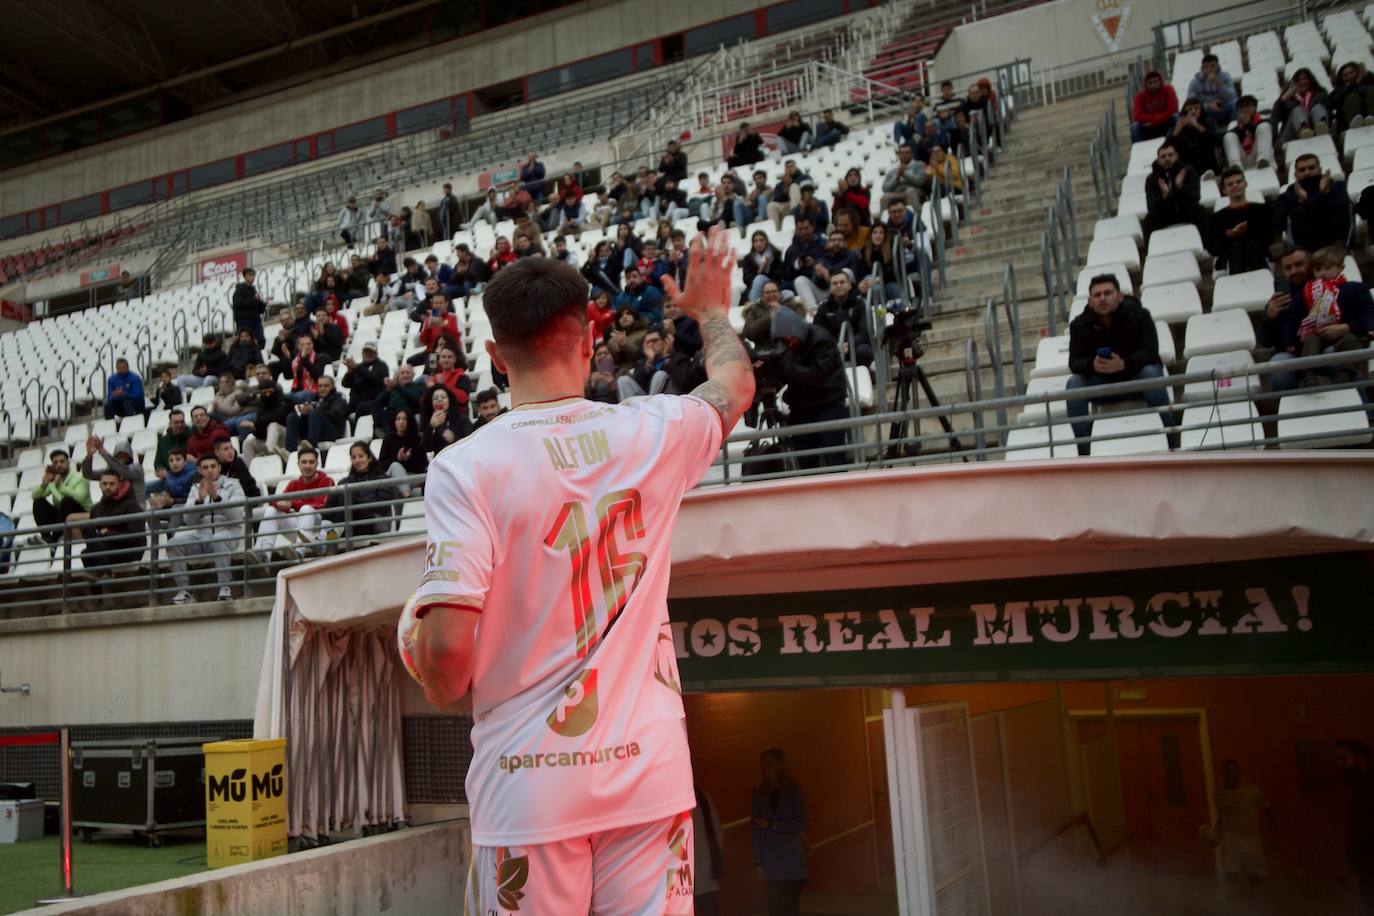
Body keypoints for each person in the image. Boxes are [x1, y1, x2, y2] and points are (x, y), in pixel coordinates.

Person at [396, 228, 754, 915]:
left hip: (527, 787)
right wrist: (708, 310)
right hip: (647, 773)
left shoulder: (466, 467)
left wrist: (416, 644)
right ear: (589, 340)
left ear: (496, 357)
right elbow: (734, 385)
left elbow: (445, 661)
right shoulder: (654, 431)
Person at [1065, 275, 1174, 455]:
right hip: (1101, 381)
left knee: (1150, 373)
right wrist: (1093, 365)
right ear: (1090, 301)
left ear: (1120, 296)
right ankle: (1083, 451)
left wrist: (1124, 364)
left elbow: (1151, 352)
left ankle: (1171, 439)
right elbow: (1074, 362)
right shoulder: (1079, 324)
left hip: (1135, 377)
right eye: (1097, 295)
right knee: (1074, 384)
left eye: (1107, 293)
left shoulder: (1140, 315)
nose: (1102, 298)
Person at [770, 306, 849, 469]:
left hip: (828, 403)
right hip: (801, 406)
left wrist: (785, 366)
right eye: (784, 340)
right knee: (806, 462)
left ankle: (842, 493)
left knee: (834, 459)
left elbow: (815, 375)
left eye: (788, 338)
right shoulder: (788, 346)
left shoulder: (821, 339)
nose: (787, 343)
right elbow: (789, 374)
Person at [167, 452, 245, 604]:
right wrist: (199, 501)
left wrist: (217, 498)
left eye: (213, 466)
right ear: (199, 470)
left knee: (218, 539)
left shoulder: (234, 484)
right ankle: (184, 590)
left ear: (219, 468)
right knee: (173, 543)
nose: (210, 470)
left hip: (228, 534)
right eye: (205, 467)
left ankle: (225, 587)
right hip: (202, 536)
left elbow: (237, 516)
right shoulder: (196, 488)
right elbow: (189, 521)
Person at [1291, 244, 1374, 386]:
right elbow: (1293, 317)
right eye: (1318, 269)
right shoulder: (1307, 291)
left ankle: (1345, 374)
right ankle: (1309, 375)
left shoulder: (1356, 289)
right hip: (1317, 336)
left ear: (1340, 268)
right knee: (1311, 341)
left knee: (1351, 341)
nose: (1322, 273)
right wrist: (1289, 341)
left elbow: (1366, 312)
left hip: (1344, 337)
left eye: (1327, 268)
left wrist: (1359, 327)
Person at [751, 748, 808, 916]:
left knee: (790, 909)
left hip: (792, 864)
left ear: (780, 765)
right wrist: (758, 862)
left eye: (769, 763)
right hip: (771, 864)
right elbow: (754, 831)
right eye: (763, 764)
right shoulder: (758, 794)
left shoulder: (794, 791)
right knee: (775, 909)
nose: (765, 767)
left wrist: (772, 825)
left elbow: (799, 824)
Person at [254, 443, 334, 556]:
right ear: (298, 464)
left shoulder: (326, 480)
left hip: (318, 527)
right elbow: (276, 501)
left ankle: (299, 552)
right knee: (271, 511)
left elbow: (321, 505)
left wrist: (292, 504)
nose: (307, 466)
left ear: (317, 464)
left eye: (311, 462)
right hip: (299, 528)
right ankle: (265, 555)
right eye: (304, 462)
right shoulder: (294, 483)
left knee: (306, 509)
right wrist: (280, 504)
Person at [1213, 759, 1274, 890]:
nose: (1230, 774)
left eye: (1233, 771)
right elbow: (1221, 815)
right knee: (1231, 874)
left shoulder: (1252, 791)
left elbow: (1267, 810)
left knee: (1254, 875)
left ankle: (1254, 900)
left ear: (1238, 772)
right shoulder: (1218, 794)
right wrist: (1216, 834)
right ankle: (1236, 902)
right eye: (1226, 771)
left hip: (1250, 838)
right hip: (1230, 838)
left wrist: (1272, 834)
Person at [79, 470, 144, 585]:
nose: (108, 487)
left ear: (119, 484)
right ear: (99, 485)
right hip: (105, 549)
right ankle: (97, 599)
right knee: (86, 554)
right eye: (104, 484)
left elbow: (135, 537)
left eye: (111, 484)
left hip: (129, 549)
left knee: (91, 553)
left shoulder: (131, 505)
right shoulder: (96, 509)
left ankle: (106, 572)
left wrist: (107, 535)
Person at [322, 442, 397, 541]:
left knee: (347, 495)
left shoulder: (382, 479)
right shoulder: (344, 481)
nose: (357, 460)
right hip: (349, 523)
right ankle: (325, 533)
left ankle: (331, 535)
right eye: (354, 457)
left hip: (373, 521)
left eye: (361, 456)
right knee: (337, 491)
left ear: (369, 458)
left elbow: (381, 506)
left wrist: (358, 504)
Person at [1274, 153, 1351, 250]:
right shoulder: (1287, 195)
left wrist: (1310, 199)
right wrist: (1300, 201)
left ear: (1320, 169)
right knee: (1297, 213)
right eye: (1302, 170)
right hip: (1303, 249)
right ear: (1295, 175)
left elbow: (1343, 208)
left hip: (1335, 244)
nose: (1307, 172)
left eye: (1311, 168)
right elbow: (1278, 223)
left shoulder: (1336, 187)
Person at [1206, 167, 1273, 275]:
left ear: (1245, 183)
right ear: (1223, 190)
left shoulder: (1262, 210)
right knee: (1237, 249)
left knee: (1251, 247)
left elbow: (1269, 238)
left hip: (1259, 253)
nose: (1235, 185)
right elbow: (1213, 249)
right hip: (1230, 258)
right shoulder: (1216, 218)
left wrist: (1249, 228)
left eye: (1239, 182)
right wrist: (1230, 235)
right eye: (1230, 184)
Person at [1336, 738, 1374, 913]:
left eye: (1345, 758)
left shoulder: (1367, 788)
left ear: (1361, 760)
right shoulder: (1359, 789)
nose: (1340, 764)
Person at [28, 448, 94, 545]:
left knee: (66, 501)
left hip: (81, 514)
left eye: (62, 461)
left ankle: (54, 539)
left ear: (68, 462)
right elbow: (34, 496)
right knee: (39, 502)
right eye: (55, 462)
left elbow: (80, 498)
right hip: (62, 517)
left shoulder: (80, 477)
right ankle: (46, 537)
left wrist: (60, 487)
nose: (59, 464)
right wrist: (43, 485)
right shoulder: (52, 480)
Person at [1143, 141, 1205, 240]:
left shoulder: (1188, 171)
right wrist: (1164, 195)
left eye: (1170, 155)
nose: (1167, 158)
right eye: (1163, 156)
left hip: (1184, 210)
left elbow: (1195, 197)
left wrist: (1180, 187)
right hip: (1165, 214)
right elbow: (1151, 206)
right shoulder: (1152, 179)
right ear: (1158, 160)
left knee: (1200, 210)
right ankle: (1150, 252)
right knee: (1150, 218)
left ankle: (1207, 247)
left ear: (1176, 156)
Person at [813, 270, 873, 368]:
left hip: (854, 347)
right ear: (830, 288)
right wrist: (834, 346)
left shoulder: (860, 304)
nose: (839, 285)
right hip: (833, 349)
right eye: (835, 283)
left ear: (850, 285)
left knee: (864, 351)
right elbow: (818, 333)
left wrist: (848, 345)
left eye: (842, 282)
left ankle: (866, 377)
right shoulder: (823, 308)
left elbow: (864, 332)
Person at [286, 375, 349, 451]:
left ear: (332, 386)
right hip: (314, 430)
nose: (322, 388)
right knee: (292, 417)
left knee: (315, 413)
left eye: (326, 386)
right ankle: (290, 450)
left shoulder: (338, 397)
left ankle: (311, 448)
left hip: (332, 431)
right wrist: (303, 413)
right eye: (320, 386)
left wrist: (315, 409)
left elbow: (336, 415)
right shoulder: (314, 397)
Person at [80, 435, 145, 506]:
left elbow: (123, 471)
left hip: (136, 509)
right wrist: (89, 455)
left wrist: (102, 450)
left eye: (125, 455)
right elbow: (88, 474)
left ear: (130, 456)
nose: (122, 458)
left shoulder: (137, 468)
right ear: (114, 457)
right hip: (115, 509)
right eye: (119, 455)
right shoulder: (110, 472)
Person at [783, 216, 828, 311]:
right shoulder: (791, 250)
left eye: (806, 228)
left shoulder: (824, 244)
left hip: (827, 286)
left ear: (813, 227)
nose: (803, 232)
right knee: (799, 280)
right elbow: (786, 276)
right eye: (800, 229)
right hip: (805, 289)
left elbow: (833, 263)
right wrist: (796, 266)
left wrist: (814, 263)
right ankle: (813, 312)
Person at [378, 408, 428, 494]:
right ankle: (406, 493)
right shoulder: (388, 439)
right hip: (394, 476)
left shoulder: (417, 439)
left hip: (412, 476)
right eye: (398, 419)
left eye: (404, 419)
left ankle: (405, 493)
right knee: (395, 465)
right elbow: (382, 464)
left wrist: (409, 459)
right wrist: (398, 459)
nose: (401, 422)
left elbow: (423, 465)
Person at [1273, 67, 1330, 142]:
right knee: (1298, 109)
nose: (1303, 82)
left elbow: (1328, 110)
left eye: (1305, 79)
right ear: (1294, 82)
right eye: (1299, 80)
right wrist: (1283, 98)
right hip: (1292, 135)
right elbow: (1275, 116)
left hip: (1315, 127)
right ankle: (1303, 130)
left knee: (1317, 107)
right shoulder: (1288, 98)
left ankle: (1321, 127)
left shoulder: (1320, 94)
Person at [742, 280, 806, 346]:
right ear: (762, 295)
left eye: (774, 291)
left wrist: (782, 313)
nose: (771, 295)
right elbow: (749, 333)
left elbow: (800, 326)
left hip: (789, 350)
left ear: (780, 293)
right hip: (764, 351)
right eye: (767, 292)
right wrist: (769, 319)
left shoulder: (793, 306)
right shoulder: (754, 309)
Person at [693, 788, 725, 916]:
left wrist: (715, 860)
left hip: (707, 871)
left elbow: (717, 831)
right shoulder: (672, 801)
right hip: (682, 878)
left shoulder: (703, 798)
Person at [1169, 98, 1219, 177]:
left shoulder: (1209, 123)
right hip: (1186, 166)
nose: (1193, 111)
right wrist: (1177, 131)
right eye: (1190, 109)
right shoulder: (1176, 128)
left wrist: (1197, 126)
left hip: (1207, 161)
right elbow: (1167, 147)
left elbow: (1216, 141)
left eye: (1196, 108)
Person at [1222, 95, 1275, 170]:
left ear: (1255, 108)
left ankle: (1263, 160)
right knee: (1229, 136)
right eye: (1241, 107)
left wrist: (1248, 124)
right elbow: (1225, 151)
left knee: (1264, 126)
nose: (1244, 109)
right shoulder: (1235, 129)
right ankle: (1235, 166)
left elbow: (1274, 136)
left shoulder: (1264, 121)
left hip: (1262, 157)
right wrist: (1241, 128)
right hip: (1243, 162)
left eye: (1247, 106)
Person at [1186, 53, 1237, 128]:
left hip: (1223, 108)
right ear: (1201, 68)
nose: (1209, 69)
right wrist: (1208, 106)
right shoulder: (1194, 82)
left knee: (1235, 103)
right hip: (1205, 112)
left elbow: (1232, 97)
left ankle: (1235, 129)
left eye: (1212, 66)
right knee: (1191, 113)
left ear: (1218, 66)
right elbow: (1190, 103)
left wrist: (1218, 84)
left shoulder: (1225, 76)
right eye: (1206, 67)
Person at [342, 342, 390, 421]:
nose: (368, 354)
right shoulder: (359, 366)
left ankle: (356, 431)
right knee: (340, 410)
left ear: (376, 354)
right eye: (366, 352)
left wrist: (357, 368)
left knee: (361, 407)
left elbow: (375, 379)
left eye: (371, 352)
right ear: (362, 354)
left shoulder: (381, 366)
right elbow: (345, 384)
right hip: (355, 402)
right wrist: (350, 373)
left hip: (374, 401)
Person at [1130, 69, 1179, 141]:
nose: (1153, 85)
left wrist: (1157, 119)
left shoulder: (1168, 89)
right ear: (1146, 84)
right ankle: (1139, 148)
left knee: (1176, 116)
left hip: (1165, 123)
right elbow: (1137, 115)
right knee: (1135, 127)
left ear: (1160, 81)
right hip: (1149, 127)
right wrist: (1155, 118)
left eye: (1155, 82)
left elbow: (1173, 108)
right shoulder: (1140, 96)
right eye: (1150, 83)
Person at [741, 231, 785, 303]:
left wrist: (768, 268)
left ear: (766, 241)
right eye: (756, 241)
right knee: (759, 279)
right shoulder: (748, 258)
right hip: (754, 287)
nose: (759, 243)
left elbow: (781, 274)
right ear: (753, 244)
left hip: (773, 284)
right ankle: (754, 306)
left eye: (761, 240)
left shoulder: (775, 254)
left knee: (760, 278)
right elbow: (746, 279)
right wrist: (760, 270)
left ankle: (753, 305)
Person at [1330, 61, 1374, 132]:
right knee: (1352, 97)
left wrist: (1365, 78)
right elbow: (1333, 102)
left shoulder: (1369, 80)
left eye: (1352, 73)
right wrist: (1351, 86)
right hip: (1347, 123)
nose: (1349, 76)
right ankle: (1355, 121)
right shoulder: (1339, 90)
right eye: (1345, 75)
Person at [232, 268, 267, 347]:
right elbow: (238, 304)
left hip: (255, 319)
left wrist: (263, 304)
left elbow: (260, 309)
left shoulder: (254, 290)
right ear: (245, 276)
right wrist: (254, 300)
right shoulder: (240, 290)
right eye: (250, 275)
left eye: (253, 275)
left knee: (260, 341)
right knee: (246, 342)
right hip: (244, 320)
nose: (253, 277)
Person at [153, 409, 191, 475]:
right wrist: (160, 469)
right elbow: (158, 462)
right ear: (170, 423)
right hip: (169, 475)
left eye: (182, 422)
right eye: (176, 422)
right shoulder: (163, 441)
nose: (180, 425)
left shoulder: (192, 436)